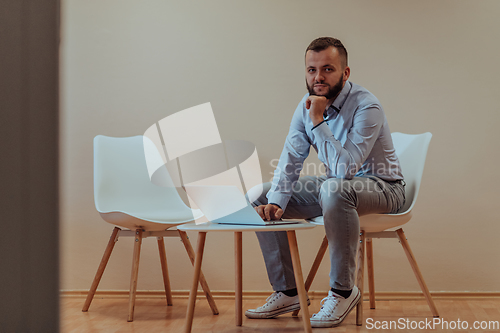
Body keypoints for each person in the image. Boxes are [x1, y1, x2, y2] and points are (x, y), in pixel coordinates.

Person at [245, 37, 405, 328]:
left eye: (327, 69)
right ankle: (289, 291)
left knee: (334, 188)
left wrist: (317, 119)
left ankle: (344, 290)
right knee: (261, 194)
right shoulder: (304, 105)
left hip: (383, 186)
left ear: (345, 73)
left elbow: (345, 169)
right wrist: (276, 203)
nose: (317, 77)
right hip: (337, 187)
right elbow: (291, 158)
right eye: (311, 70)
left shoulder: (367, 106)